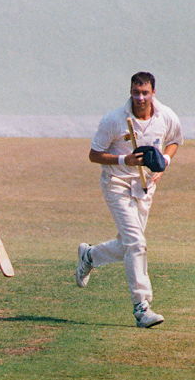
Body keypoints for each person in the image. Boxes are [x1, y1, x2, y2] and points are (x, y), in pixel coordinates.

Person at [76, 72, 181, 328]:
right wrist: (124, 160)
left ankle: (89, 256)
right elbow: (94, 154)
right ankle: (141, 308)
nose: (140, 98)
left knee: (128, 245)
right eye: (136, 92)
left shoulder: (166, 116)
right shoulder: (115, 119)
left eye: (145, 93)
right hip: (116, 183)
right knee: (137, 242)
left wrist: (164, 162)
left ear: (153, 92)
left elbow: (175, 141)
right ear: (130, 92)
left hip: (145, 186)